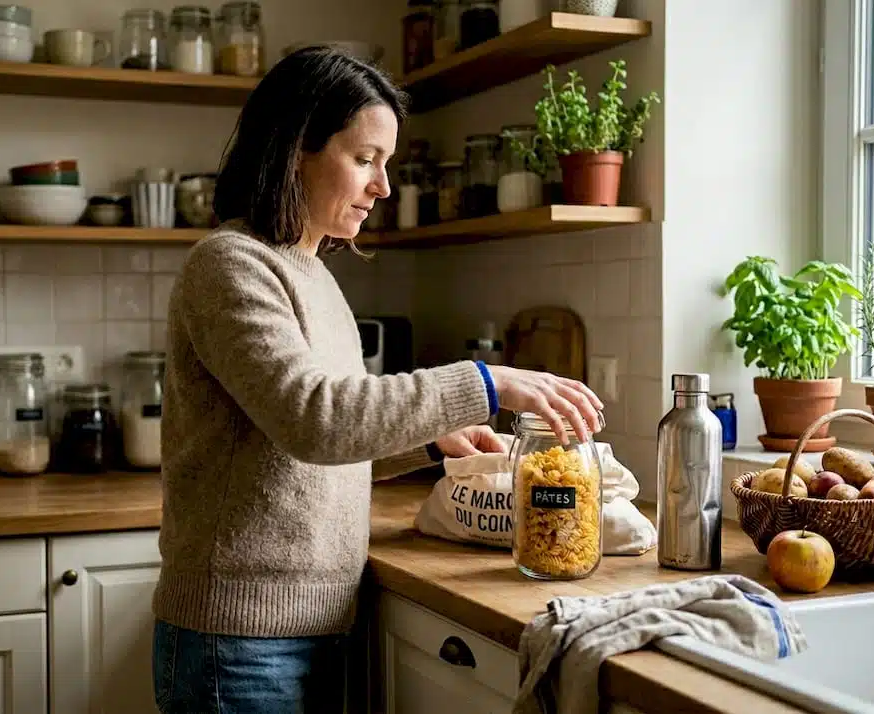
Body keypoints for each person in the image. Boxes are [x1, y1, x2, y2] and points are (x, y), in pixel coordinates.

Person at [151, 45, 605, 713]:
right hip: (238, 639)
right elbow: (316, 418)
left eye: (385, 163)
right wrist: (487, 381)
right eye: (365, 159)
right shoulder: (230, 265)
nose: (383, 187)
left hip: (313, 623)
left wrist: (430, 442)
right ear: (295, 150)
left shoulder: (314, 275)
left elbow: (312, 443)